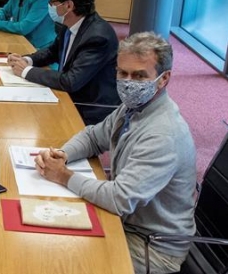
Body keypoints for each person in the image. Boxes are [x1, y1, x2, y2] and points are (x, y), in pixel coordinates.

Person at [34, 32, 195, 274]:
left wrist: (63, 176)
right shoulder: (134, 108)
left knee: (60, 260)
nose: (129, 82)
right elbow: (92, 136)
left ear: (163, 79)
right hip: (127, 223)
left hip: (151, 245)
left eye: (139, 75)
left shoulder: (163, 134)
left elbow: (119, 199)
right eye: (123, 73)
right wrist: (62, 155)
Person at [7, 0, 120, 124]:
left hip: (88, 109)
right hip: (70, 95)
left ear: (68, 6)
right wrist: (27, 59)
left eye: (52, 2)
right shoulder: (71, 23)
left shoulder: (98, 37)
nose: (50, 6)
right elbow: (52, 52)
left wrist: (26, 71)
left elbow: (71, 81)